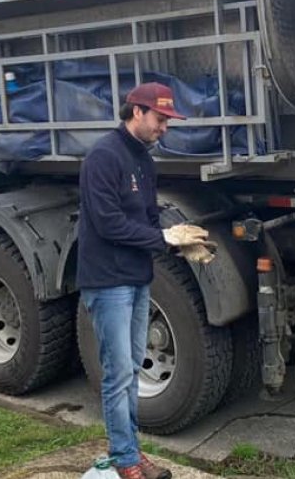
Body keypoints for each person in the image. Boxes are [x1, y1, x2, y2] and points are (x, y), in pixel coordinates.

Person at [77, 82, 208, 479]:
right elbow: (108, 222)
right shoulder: (103, 157)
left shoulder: (145, 161)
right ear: (137, 112)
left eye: (168, 121)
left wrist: (177, 243)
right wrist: (161, 238)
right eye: (161, 119)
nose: (165, 128)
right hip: (107, 281)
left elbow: (147, 219)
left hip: (136, 277)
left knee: (132, 367)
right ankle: (125, 459)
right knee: (118, 372)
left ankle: (129, 451)